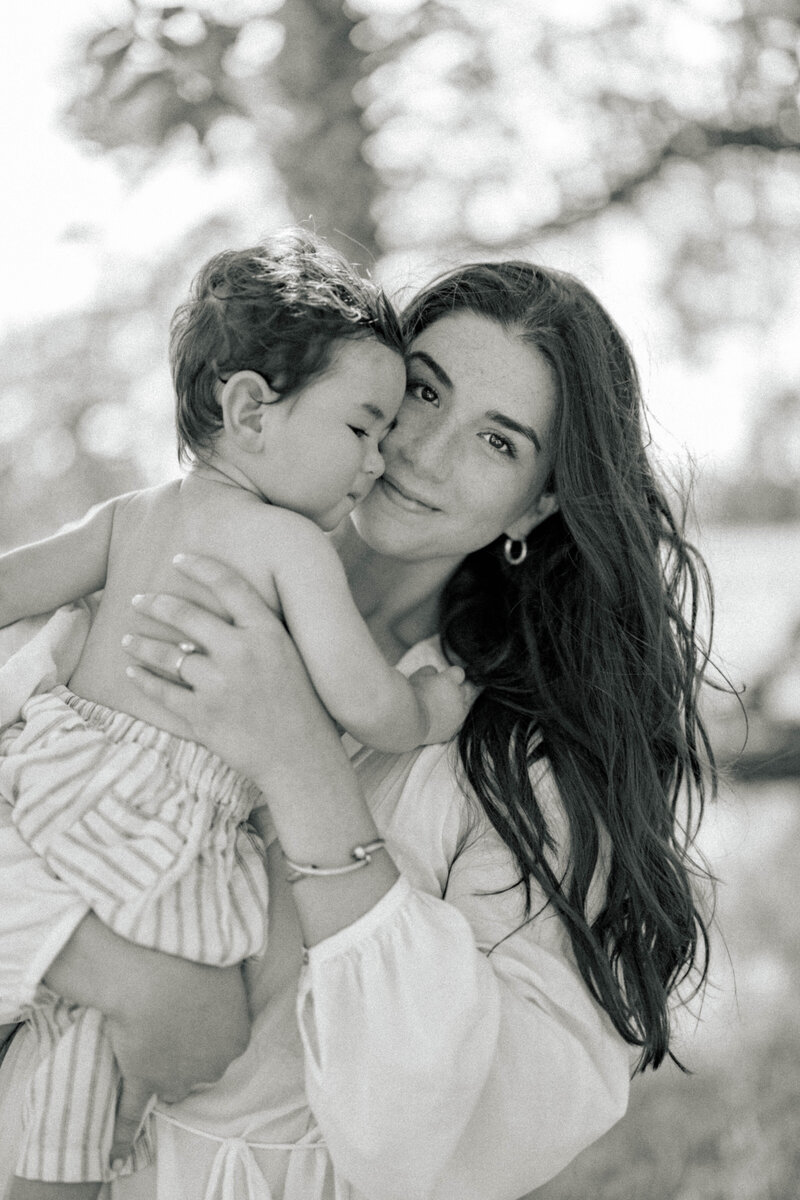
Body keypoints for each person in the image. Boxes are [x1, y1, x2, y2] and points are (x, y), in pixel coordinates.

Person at [0, 258, 715, 1200]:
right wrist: (100, 963)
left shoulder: (517, 757)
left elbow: (439, 1142)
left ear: (537, 506)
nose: (420, 451)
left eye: (498, 443)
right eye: (422, 391)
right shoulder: (175, 574)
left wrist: (302, 768)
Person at [0, 230, 470, 1199]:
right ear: (252, 408)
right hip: (154, 819)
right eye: (361, 427)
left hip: (50, 787)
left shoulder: (130, 514)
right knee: (168, 1029)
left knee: (86, 1027)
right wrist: (431, 703)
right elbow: (363, 706)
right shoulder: (287, 544)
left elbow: (8, 585)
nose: (378, 460)